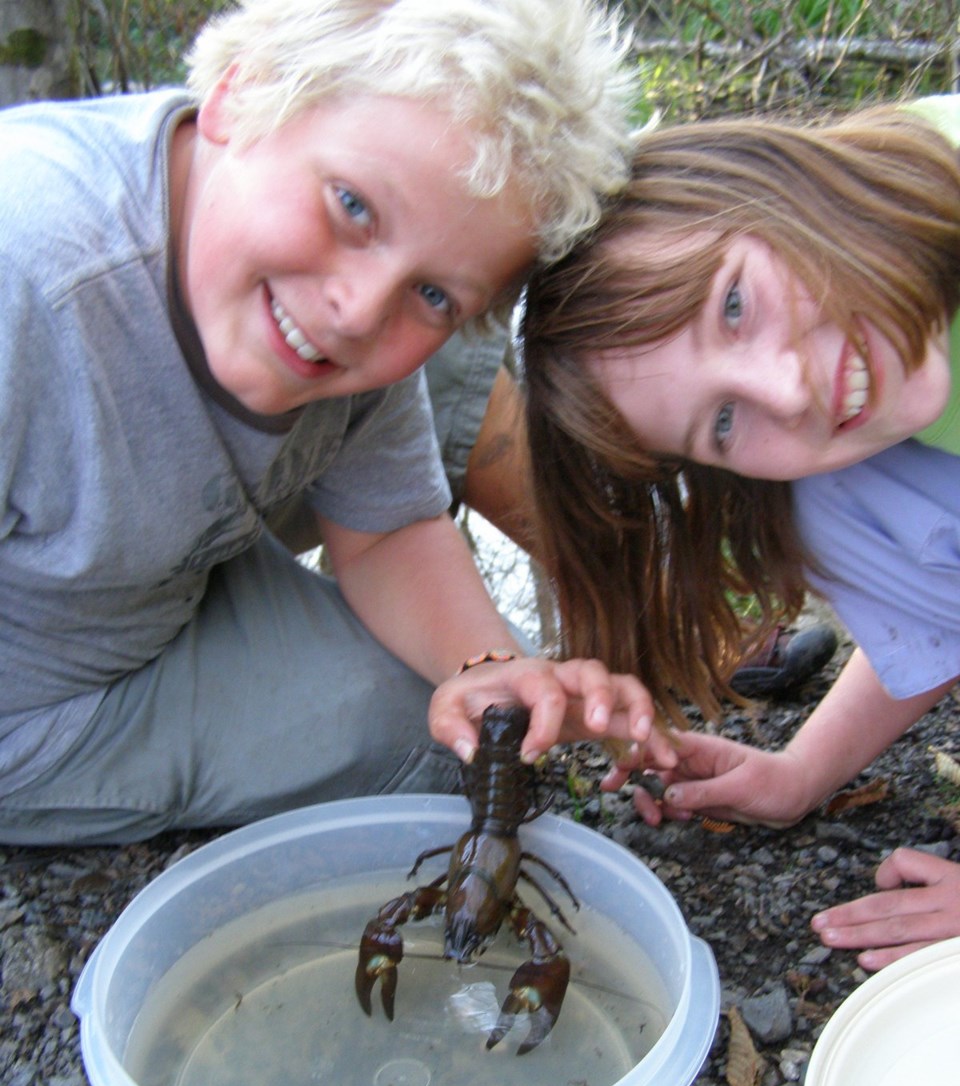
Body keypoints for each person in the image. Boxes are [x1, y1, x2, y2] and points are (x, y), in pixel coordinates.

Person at [0, 0, 678, 849]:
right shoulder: (24, 272)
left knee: (467, 729)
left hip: (170, 564)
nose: (358, 310)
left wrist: (489, 668)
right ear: (238, 96)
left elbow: (388, 529)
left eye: (434, 293)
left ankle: (678, 635)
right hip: (47, 704)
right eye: (351, 206)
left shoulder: (329, 311)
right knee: (408, 754)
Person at [520, 95, 960, 970]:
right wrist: (802, 774)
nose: (787, 389)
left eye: (732, 303)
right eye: (721, 424)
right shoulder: (840, 442)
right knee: (822, 500)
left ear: (768, 177)